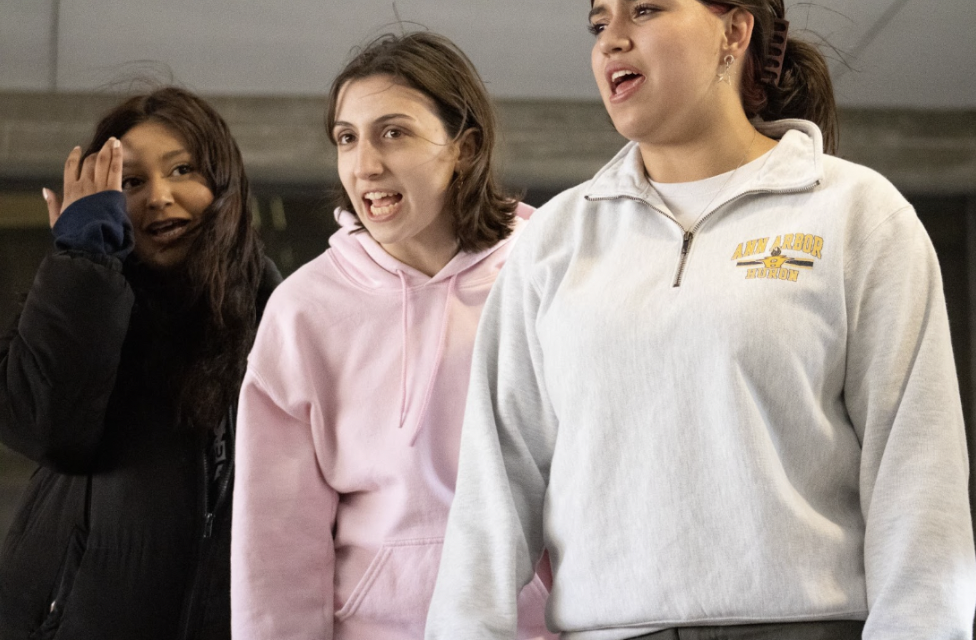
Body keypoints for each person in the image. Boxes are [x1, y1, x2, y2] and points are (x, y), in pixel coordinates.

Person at [425, 1, 976, 639]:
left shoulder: (858, 214)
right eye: (600, 24)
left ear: (734, 33)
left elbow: (917, 478)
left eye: (647, 10)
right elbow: (493, 492)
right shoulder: (554, 240)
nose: (613, 42)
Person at [230, 31, 554, 640]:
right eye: (346, 138)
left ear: (466, 146)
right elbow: (274, 544)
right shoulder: (303, 310)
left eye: (394, 132)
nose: (365, 164)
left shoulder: (547, 276)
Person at [0, 86, 280, 640]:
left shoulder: (280, 312)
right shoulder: (80, 297)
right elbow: (50, 429)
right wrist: (82, 258)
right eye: (131, 182)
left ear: (224, 184)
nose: (159, 196)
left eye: (183, 170)